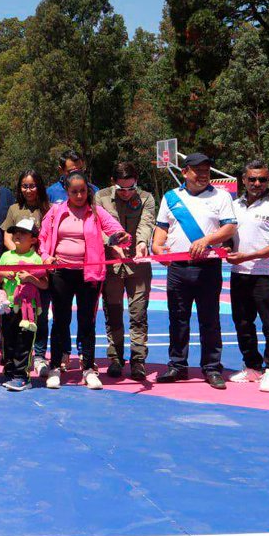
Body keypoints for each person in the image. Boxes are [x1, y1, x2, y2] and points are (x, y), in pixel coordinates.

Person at [153, 153, 237, 389]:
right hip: (178, 269)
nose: (202, 175)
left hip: (208, 268)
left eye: (206, 171)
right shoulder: (170, 197)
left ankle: (212, 368)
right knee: (177, 319)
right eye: (197, 170)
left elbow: (230, 227)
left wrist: (207, 239)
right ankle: (177, 365)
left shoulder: (221, 196)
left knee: (209, 320)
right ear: (185, 172)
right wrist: (157, 247)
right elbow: (162, 228)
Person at [39, 172, 128, 390]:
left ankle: (88, 367)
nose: (79, 195)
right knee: (61, 321)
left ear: (88, 191)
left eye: (83, 191)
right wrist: (46, 257)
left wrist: (121, 237)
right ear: (67, 192)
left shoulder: (97, 212)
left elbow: (115, 230)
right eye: (74, 191)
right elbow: (42, 239)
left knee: (87, 321)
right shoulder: (55, 212)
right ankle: (55, 367)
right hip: (61, 272)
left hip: (89, 273)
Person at [227, 159, 269, 393]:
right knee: (242, 323)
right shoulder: (235, 206)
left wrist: (248, 256)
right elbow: (226, 236)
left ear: (268, 180)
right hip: (239, 274)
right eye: (252, 179)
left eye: (262, 179)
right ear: (243, 180)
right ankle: (252, 366)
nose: (257, 183)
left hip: (266, 276)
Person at [95, 162, 156, 381]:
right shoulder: (100, 198)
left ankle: (138, 361)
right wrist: (111, 243)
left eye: (131, 188)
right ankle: (115, 358)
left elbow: (146, 224)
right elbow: (96, 227)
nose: (127, 193)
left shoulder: (146, 198)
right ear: (113, 183)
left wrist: (141, 243)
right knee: (112, 313)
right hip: (111, 265)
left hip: (138, 265)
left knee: (138, 314)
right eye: (122, 189)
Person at [0, 170, 52, 376]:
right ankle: (12, 361)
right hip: (16, 270)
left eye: (32, 185)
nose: (28, 190)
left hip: (39, 267)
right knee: (12, 319)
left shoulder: (48, 209)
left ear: (39, 186)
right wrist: (18, 255)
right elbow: (7, 237)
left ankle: (38, 356)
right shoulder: (14, 208)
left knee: (39, 315)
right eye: (24, 185)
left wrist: (36, 261)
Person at [0, 218, 49, 392]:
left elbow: (44, 284)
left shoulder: (36, 258)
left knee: (24, 341)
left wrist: (30, 278)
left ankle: (22, 376)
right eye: (15, 232)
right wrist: (4, 274)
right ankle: (11, 369)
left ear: (33, 239)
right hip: (8, 305)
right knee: (8, 339)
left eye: (23, 233)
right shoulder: (5, 256)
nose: (17, 235)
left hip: (28, 308)